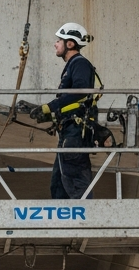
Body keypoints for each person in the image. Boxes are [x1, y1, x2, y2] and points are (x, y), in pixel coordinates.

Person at [27, 23, 103, 199]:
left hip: (75, 134)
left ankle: (84, 221)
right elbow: (71, 100)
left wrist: (51, 107)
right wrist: (53, 115)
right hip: (69, 132)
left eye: (59, 40)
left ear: (70, 44)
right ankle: (62, 225)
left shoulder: (80, 64)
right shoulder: (72, 65)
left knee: (76, 182)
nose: (55, 44)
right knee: (59, 185)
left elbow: (80, 91)